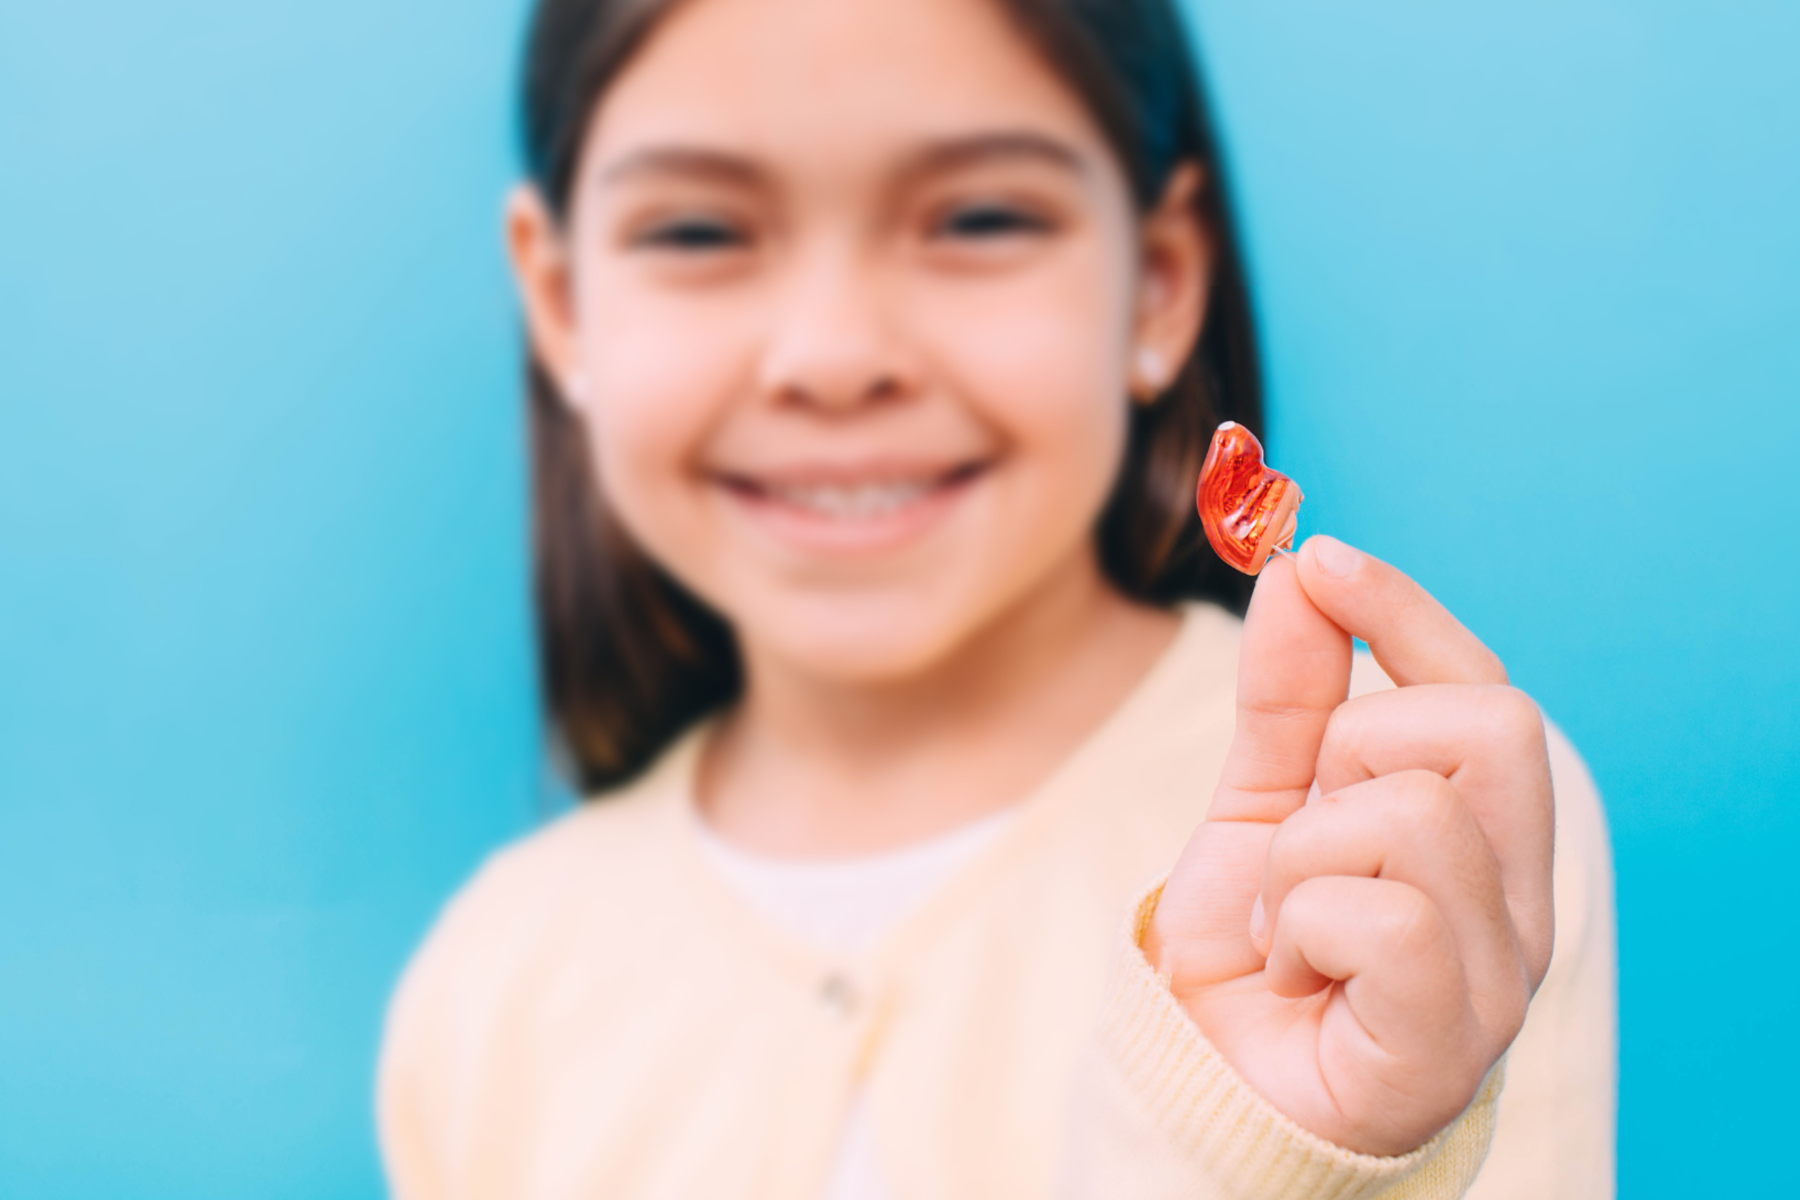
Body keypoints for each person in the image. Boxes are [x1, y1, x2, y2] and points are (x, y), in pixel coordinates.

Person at [377, 0, 1616, 1195]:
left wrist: (1286, 1160)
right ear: (560, 302)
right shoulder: (493, 986)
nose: (835, 356)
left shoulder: (1403, 828)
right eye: (698, 233)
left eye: (976, 218)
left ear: (1162, 282)